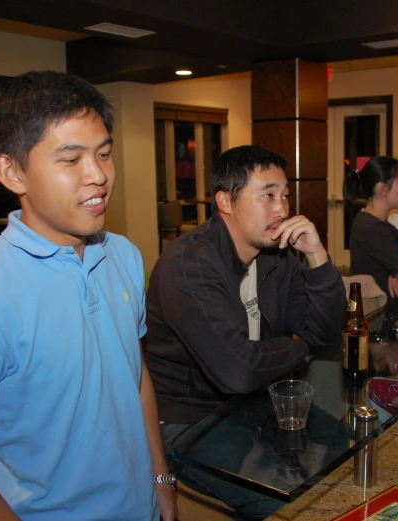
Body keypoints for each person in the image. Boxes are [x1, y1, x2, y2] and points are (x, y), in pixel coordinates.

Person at [0, 71, 176, 521]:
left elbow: (134, 375)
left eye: (105, 153)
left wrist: (160, 481)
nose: (99, 176)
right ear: (12, 171)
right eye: (71, 160)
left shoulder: (125, 257)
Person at [144, 144, 346, 520]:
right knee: (288, 502)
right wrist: (297, 348)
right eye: (267, 195)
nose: (282, 209)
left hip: (255, 402)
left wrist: (317, 258)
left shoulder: (277, 255)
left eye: (285, 195)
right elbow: (238, 369)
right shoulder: (189, 267)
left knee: (344, 454)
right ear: (226, 201)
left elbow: (327, 332)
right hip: (190, 421)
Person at [346, 156, 398, 300]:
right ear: (382, 188)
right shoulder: (370, 227)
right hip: (377, 313)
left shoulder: (380, 223)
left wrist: (396, 270)